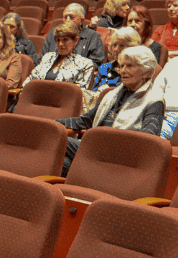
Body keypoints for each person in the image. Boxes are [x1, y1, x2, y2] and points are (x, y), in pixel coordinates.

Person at [56, 45, 163, 174]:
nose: (123, 71)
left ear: (146, 71)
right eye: (122, 66)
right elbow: (84, 121)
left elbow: (148, 140)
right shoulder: (112, 94)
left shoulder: (154, 100)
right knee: (59, 161)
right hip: (95, 150)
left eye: (129, 66)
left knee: (55, 138)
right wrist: (52, 123)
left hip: (119, 157)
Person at [83, 27, 141, 111]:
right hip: (96, 109)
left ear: (132, 47)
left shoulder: (137, 71)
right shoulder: (104, 67)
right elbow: (93, 92)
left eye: (122, 45)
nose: (116, 49)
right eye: (114, 45)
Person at [25, 21, 96, 90]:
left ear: (76, 40)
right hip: (38, 98)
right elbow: (31, 80)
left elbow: (80, 93)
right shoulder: (48, 57)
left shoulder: (85, 64)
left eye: (65, 40)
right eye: (58, 40)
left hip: (64, 101)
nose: (60, 44)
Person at [40, 3, 105, 65]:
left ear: (81, 21)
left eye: (72, 17)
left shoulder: (92, 36)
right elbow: (42, 58)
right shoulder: (54, 33)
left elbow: (96, 62)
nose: (67, 20)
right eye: (65, 17)